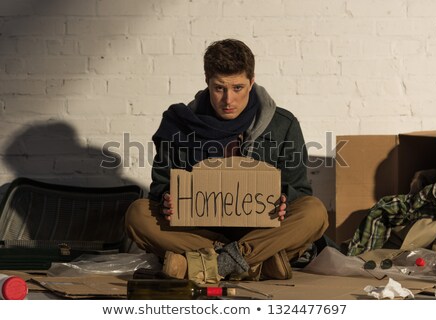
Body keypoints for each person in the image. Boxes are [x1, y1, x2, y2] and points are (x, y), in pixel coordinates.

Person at [125, 39, 328, 281]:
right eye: (219, 88)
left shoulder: (283, 124)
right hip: (199, 231)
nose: (228, 100)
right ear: (207, 82)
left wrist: (284, 199)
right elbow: (160, 186)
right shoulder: (179, 123)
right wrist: (169, 198)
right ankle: (254, 264)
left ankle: (211, 262)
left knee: (314, 211)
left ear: (251, 82)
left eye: (238, 88)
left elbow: (300, 191)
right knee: (137, 213)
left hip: (260, 229)